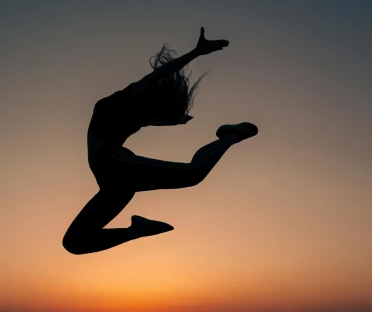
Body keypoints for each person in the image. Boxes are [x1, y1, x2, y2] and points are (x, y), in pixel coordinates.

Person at [62, 27, 258, 255]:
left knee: (193, 173)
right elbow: (158, 75)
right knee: (74, 243)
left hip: (116, 168)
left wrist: (176, 119)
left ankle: (230, 135)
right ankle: (137, 230)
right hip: (112, 182)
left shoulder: (138, 115)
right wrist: (196, 53)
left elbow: (156, 115)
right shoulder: (128, 97)